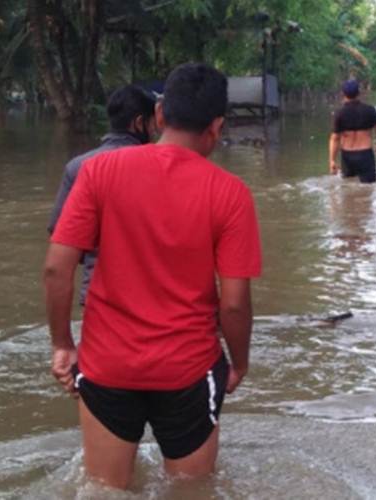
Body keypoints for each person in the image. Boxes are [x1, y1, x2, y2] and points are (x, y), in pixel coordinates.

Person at [43, 63, 262, 489]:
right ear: (217, 127)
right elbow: (234, 302)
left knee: (105, 491)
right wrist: (239, 363)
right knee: (192, 491)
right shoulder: (231, 193)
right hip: (189, 371)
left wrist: (62, 345)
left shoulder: (98, 172)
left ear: (159, 115)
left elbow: (56, 268)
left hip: (107, 365)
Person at [47, 84, 157, 306]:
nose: (155, 131)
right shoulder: (159, 166)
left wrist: (94, 256)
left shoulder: (77, 166)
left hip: (97, 296)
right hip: (152, 297)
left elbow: (59, 233)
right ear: (139, 123)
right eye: (153, 123)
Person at [329, 80, 376, 183]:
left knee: (348, 190)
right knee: (368, 190)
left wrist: (332, 160)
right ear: (359, 93)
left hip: (347, 156)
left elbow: (335, 138)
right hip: (365, 155)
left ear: (343, 93)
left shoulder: (340, 113)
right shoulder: (370, 110)